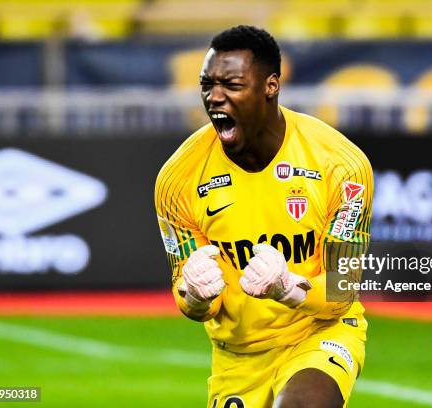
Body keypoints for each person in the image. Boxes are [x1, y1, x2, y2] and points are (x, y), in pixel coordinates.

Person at [155, 25, 373, 408]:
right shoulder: (178, 179)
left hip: (318, 331)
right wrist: (195, 296)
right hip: (238, 356)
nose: (214, 97)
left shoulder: (342, 166)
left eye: (232, 85)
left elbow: (342, 289)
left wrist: (287, 287)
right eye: (207, 84)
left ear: (271, 86)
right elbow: (186, 296)